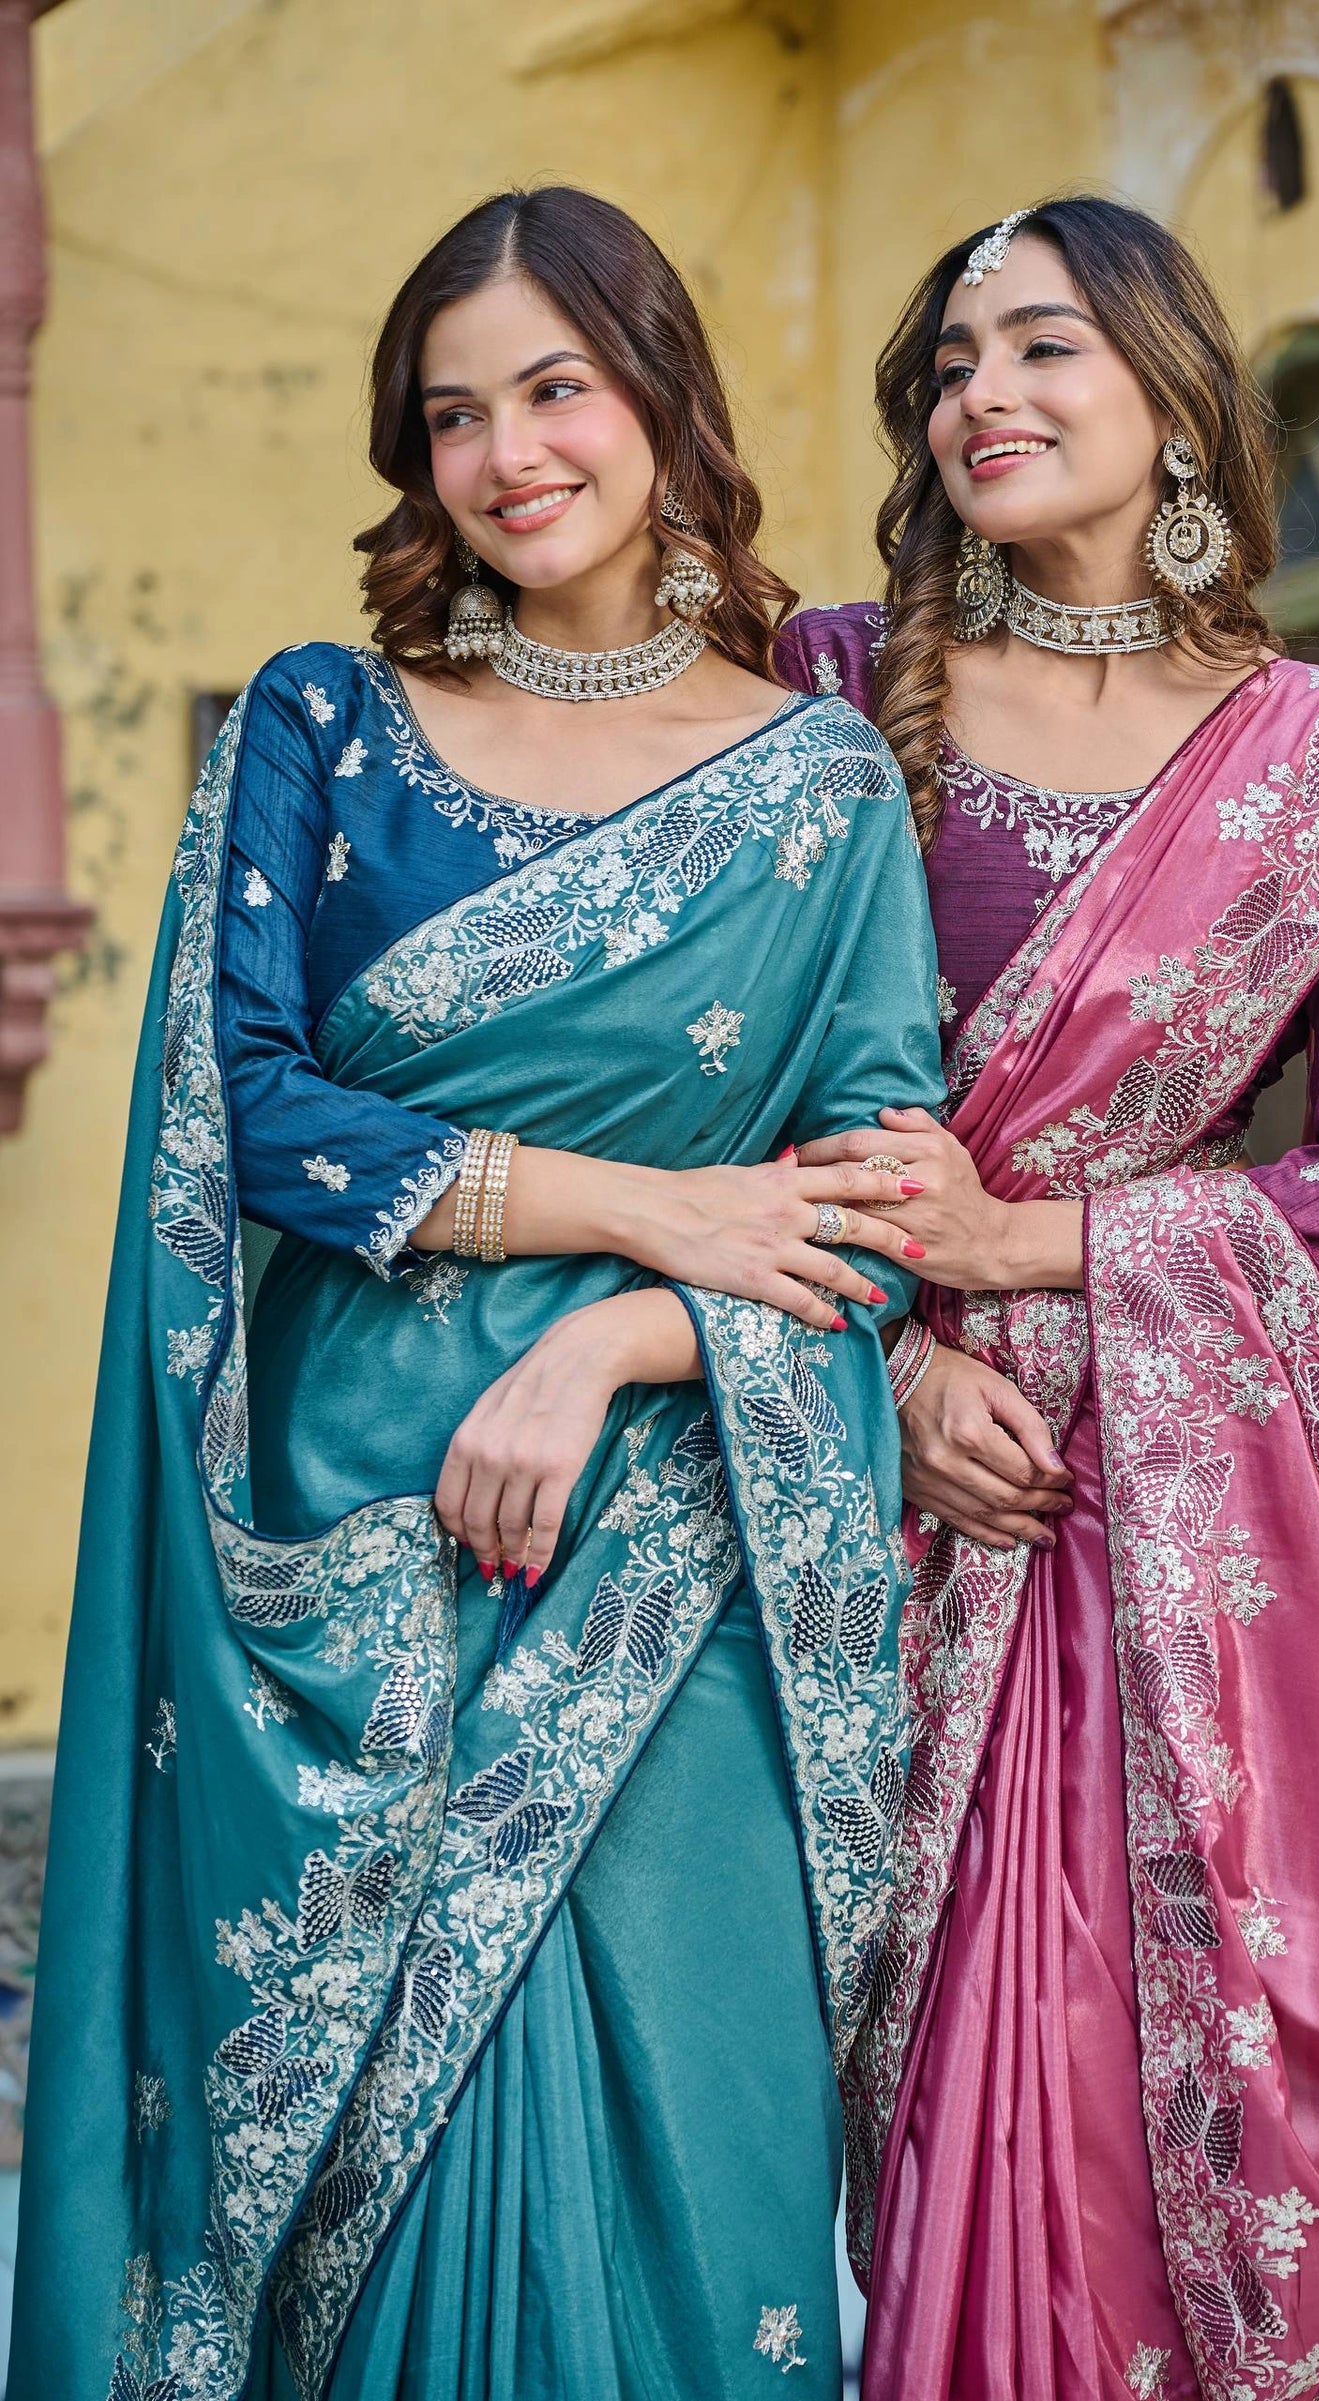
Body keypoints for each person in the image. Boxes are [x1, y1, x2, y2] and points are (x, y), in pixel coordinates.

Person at [11, 186, 947, 2401]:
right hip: (349, 1582)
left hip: (670, 1570)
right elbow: (247, 1105)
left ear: (660, 396)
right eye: (453, 415)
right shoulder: (327, 726)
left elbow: (874, 1212)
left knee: (683, 2214)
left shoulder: (819, 793)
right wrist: (644, 1210)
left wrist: (617, 1337)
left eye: (555, 388)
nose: (509, 453)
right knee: (361, 2225)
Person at [775, 195, 1319, 2401]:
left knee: (1142, 2117)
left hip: (1193, 1549)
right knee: (948, 2128)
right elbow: (732, 1085)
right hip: (896, 1515)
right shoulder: (834, 689)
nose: (980, 395)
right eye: (950, 365)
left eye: (1041, 349)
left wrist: (1032, 1246)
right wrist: (897, 1358)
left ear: (1173, 401)